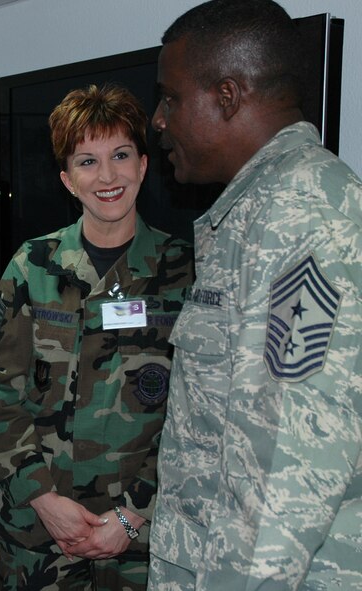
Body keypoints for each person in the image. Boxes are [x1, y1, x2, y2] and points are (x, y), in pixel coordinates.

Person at [147, 1, 362, 589]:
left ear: (227, 95)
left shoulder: (301, 213)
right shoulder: (257, 211)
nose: (158, 121)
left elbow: (284, 470)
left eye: (170, 98)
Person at [0, 84, 194, 590]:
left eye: (120, 155)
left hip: (144, 543)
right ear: (68, 180)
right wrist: (45, 501)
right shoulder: (34, 266)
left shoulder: (184, 271)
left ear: (143, 165)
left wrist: (134, 513)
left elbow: (198, 413)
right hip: (38, 536)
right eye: (88, 162)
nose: (108, 176)